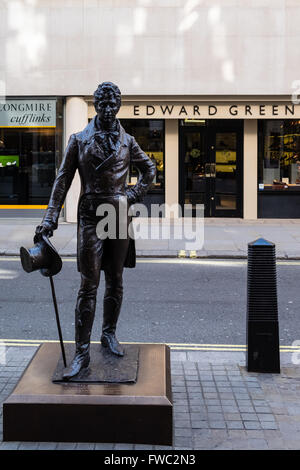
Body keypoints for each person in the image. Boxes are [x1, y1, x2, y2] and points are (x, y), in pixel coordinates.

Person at [34, 82, 156, 380]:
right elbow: (62, 181)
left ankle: (109, 334)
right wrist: (50, 218)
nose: (106, 108)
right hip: (91, 215)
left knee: (115, 278)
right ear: (95, 105)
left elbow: (150, 170)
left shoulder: (128, 141)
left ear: (118, 106)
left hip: (117, 214)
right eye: (101, 103)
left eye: (111, 103)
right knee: (88, 284)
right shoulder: (78, 140)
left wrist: (132, 195)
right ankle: (81, 354)